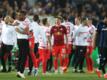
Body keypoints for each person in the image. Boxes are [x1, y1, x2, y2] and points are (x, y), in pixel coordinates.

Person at [15, 11, 30, 79]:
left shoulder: (27, 21)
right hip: (21, 40)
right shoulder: (16, 21)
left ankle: (18, 71)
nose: (19, 16)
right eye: (18, 15)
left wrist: (25, 32)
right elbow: (17, 30)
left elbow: (28, 30)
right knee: (23, 56)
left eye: (20, 15)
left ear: (24, 15)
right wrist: (25, 32)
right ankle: (21, 71)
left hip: (24, 40)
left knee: (21, 56)